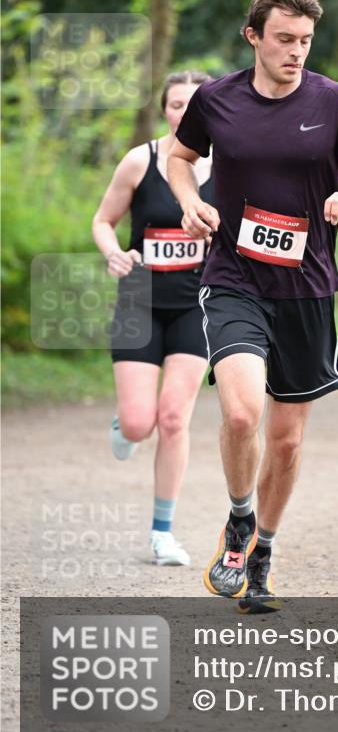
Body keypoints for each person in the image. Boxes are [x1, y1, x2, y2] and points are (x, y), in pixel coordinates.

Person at [167, 0, 338, 611]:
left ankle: (263, 552)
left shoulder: (337, 102)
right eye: (283, 40)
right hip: (234, 276)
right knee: (242, 414)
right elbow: (179, 156)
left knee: (288, 441)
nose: (295, 52)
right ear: (254, 38)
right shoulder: (217, 99)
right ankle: (239, 520)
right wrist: (190, 201)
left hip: (306, 287)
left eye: (305, 41)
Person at [92, 71, 215, 566]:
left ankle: (163, 533)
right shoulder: (139, 160)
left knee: (173, 418)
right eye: (176, 104)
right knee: (142, 424)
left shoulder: (227, 168)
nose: (185, 113)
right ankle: (126, 426)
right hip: (138, 301)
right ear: (165, 109)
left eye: (195, 105)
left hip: (196, 304)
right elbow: (104, 221)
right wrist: (114, 253)